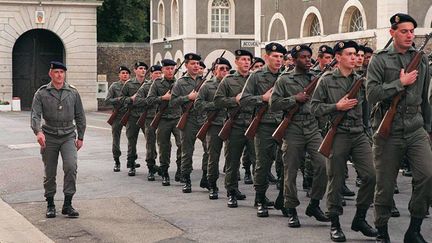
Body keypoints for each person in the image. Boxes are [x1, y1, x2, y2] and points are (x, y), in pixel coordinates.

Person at [366, 13, 432, 243]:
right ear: (392, 32)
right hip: (389, 131)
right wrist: (399, 84)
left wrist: (428, 129)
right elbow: (371, 94)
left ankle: (414, 229)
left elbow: (424, 98)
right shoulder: (380, 60)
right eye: (404, 31)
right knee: (384, 185)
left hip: (415, 129)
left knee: (427, 176)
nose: (409, 35)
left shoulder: (420, 59)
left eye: (412, 31)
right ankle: (382, 230)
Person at [311, 40, 377, 242]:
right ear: (338, 57)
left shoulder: (361, 80)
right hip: (337, 134)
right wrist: (336, 107)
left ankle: (360, 218)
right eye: (349, 54)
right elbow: (314, 108)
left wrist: (369, 131)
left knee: (371, 176)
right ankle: (335, 223)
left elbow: (368, 109)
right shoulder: (327, 80)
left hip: (358, 134)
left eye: (356, 54)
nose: (354, 57)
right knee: (336, 180)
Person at [270, 44, 329, 227]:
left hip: (312, 127)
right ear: (294, 60)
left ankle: (314, 203)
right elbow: (274, 104)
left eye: (309, 57)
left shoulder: (317, 78)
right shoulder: (284, 79)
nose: (307, 60)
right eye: (303, 57)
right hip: (293, 128)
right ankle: (292, 209)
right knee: (291, 171)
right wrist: (294, 99)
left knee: (323, 165)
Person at [31, 61, 86, 218]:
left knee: (71, 166)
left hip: (68, 134)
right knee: (50, 172)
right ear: (50, 73)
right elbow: (35, 115)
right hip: (49, 135)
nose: (59, 74)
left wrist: (80, 136)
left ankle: (68, 204)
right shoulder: (41, 93)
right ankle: (50, 204)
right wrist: (38, 132)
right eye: (56, 72)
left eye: (62, 72)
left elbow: (80, 115)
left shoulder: (73, 92)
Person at [240, 42, 286, 217]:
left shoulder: (287, 76)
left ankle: (283, 198)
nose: (278, 60)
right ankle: (260, 198)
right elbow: (244, 99)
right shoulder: (256, 76)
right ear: (266, 57)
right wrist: (263, 98)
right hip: (264, 125)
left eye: (281, 57)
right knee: (263, 164)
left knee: (284, 163)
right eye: (275, 56)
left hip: (284, 124)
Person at [214, 49, 255, 207]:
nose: (246, 62)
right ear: (237, 62)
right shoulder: (228, 80)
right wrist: (234, 101)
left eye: (248, 59)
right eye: (243, 59)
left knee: (258, 160)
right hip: (235, 124)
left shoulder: (255, 79)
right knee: (232, 161)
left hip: (252, 123)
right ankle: (231, 192)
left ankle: (260, 195)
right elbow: (218, 101)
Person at [170, 53, 208, 193]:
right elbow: (172, 103)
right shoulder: (180, 83)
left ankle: (206, 176)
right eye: (193, 64)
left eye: (198, 63)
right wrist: (188, 97)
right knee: (187, 151)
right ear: (186, 65)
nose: (196, 66)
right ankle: (186, 179)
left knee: (209, 149)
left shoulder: (204, 81)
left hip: (203, 118)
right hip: (189, 119)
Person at [195, 57, 231, 199]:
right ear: (215, 70)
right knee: (213, 157)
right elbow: (198, 105)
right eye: (221, 68)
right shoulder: (207, 86)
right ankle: (212, 185)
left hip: (230, 124)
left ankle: (231, 188)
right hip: (213, 125)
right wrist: (215, 105)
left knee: (231, 158)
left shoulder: (233, 84)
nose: (225, 71)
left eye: (227, 69)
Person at [147, 59, 182, 186]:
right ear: (162, 70)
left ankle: (180, 170)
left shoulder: (179, 83)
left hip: (178, 118)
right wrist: (163, 98)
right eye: (167, 68)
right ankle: (165, 172)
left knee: (182, 144)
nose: (170, 71)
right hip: (163, 119)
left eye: (172, 68)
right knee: (164, 147)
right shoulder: (156, 83)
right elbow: (149, 100)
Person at [134, 63, 161, 180]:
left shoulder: (165, 86)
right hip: (149, 118)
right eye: (156, 73)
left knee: (164, 144)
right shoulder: (145, 87)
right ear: (151, 75)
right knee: (150, 144)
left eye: (160, 73)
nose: (159, 75)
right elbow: (137, 101)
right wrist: (151, 100)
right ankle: (151, 167)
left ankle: (164, 167)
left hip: (163, 118)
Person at [121, 62, 148, 176]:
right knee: (132, 141)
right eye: (140, 68)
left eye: (144, 69)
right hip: (132, 116)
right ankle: (131, 164)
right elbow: (121, 99)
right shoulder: (128, 84)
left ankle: (151, 164)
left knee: (150, 140)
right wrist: (130, 99)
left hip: (146, 116)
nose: (143, 70)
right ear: (135, 70)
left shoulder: (149, 84)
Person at [105, 66, 130, 172]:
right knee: (116, 139)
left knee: (131, 139)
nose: (125, 75)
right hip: (118, 115)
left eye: (126, 73)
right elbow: (107, 100)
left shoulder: (132, 85)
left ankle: (131, 160)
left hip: (129, 115)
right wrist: (118, 99)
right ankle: (117, 161)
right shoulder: (114, 86)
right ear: (119, 75)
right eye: (123, 73)